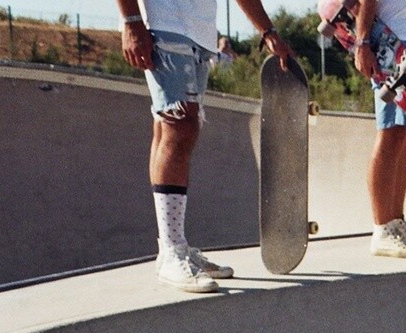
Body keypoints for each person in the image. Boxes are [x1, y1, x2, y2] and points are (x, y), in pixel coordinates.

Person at [117, 0, 295, 293]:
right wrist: (131, 21)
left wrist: (268, 32)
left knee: (173, 125)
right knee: (179, 124)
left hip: (200, 32)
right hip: (162, 24)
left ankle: (174, 247)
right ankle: (173, 250)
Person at [350, 0, 406, 259]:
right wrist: (363, 42)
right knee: (392, 130)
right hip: (394, 44)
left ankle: (396, 221)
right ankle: (382, 229)